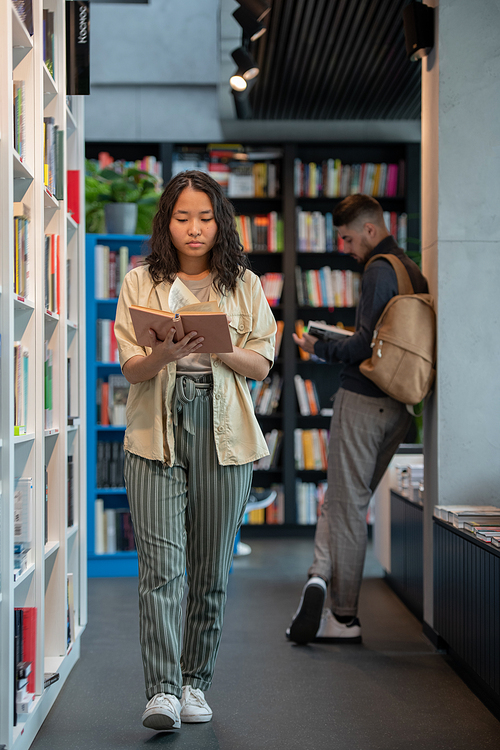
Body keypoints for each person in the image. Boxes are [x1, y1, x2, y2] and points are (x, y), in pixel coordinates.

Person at [114, 170, 276, 730]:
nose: (194, 229)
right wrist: (167, 353)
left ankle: (193, 684)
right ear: (167, 223)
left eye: (204, 218)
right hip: (153, 431)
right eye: (182, 217)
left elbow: (261, 363)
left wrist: (217, 348)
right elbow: (131, 367)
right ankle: (160, 691)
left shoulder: (245, 285)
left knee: (211, 568)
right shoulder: (140, 283)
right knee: (161, 568)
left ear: (219, 222)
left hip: (222, 428)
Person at [287, 194, 428, 646]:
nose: (345, 247)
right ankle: (317, 577)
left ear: (370, 229)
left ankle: (343, 617)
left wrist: (316, 346)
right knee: (344, 501)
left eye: (347, 238)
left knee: (345, 508)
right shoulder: (412, 270)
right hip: (399, 407)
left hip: (364, 401)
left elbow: (363, 347)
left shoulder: (377, 269)